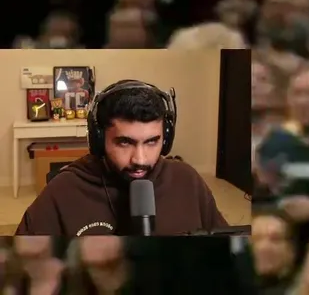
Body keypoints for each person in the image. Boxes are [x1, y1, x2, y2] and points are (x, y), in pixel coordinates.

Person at [16, 79, 229, 236]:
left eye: (152, 141)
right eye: (125, 142)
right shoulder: (63, 191)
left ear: (166, 139)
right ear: (99, 139)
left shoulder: (187, 180)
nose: (140, 159)